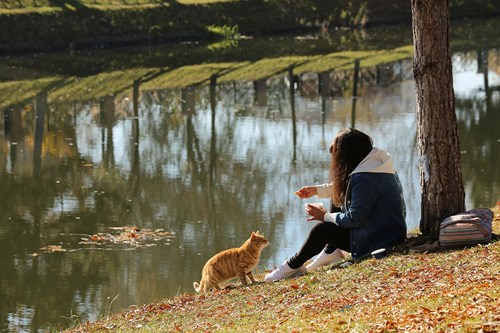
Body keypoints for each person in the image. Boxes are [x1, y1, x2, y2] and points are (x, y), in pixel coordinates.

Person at [264, 128, 407, 282]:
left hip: (377, 242)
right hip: (390, 232)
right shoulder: (376, 163)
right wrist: (317, 190)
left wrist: (325, 216)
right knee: (337, 194)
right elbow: (350, 188)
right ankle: (331, 251)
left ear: (348, 156)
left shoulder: (364, 179)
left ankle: (292, 266)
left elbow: (354, 218)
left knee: (322, 230)